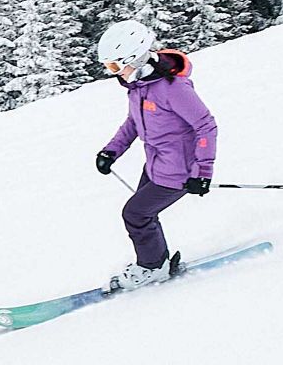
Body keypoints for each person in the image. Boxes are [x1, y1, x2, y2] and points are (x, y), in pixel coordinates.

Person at [91, 20, 220, 292]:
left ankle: (151, 268)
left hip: (179, 172)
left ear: (135, 58)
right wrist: (111, 151)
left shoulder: (173, 88)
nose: (112, 72)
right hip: (155, 165)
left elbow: (205, 125)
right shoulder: (139, 87)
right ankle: (156, 262)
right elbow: (133, 123)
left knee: (135, 214)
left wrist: (203, 173)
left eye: (115, 66)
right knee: (144, 215)